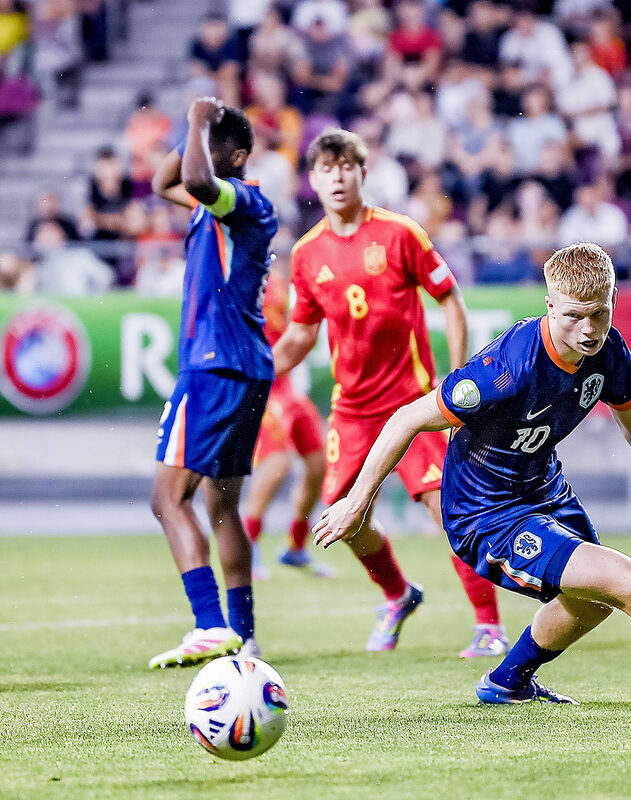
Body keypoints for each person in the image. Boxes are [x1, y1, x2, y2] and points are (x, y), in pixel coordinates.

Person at [313, 242, 631, 716]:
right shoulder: (506, 368)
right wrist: (358, 502)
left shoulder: (610, 353)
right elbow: (405, 419)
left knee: (593, 603)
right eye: (574, 315)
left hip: (544, 491)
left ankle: (506, 682)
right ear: (550, 305)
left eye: (599, 313)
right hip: (485, 514)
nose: (588, 329)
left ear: (613, 302)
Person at [271, 128, 507, 658]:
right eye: (326, 169)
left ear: (362, 173)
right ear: (313, 180)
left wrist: (458, 378)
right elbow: (301, 335)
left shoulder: (401, 234)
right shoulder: (306, 254)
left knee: (447, 510)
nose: (337, 177)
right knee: (340, 516)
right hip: (352, 411)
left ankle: (488, 627)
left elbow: (451, 299)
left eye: (346, 167)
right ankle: (398, 596)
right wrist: (258, 372)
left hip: (414, 403)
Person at [147, 97, 278, 669]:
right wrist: (196, 128)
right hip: (241, 367)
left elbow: (197, 178)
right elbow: (163, 182)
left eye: (206, 143)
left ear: (238, 156)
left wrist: (200, 119)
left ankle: (208, 624)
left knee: (167, 498)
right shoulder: (210, 204)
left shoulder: (243, 200)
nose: (192, 151)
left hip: (214, 365)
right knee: (221, 505)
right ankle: (243, 636)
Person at [243, 247, 334, 581]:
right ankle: (247, 546)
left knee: (319, 464)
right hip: (260, 388)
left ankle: (295, 546)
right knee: (278, 463)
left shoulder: (279, 283)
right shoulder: (235, 282)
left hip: (286, 386)